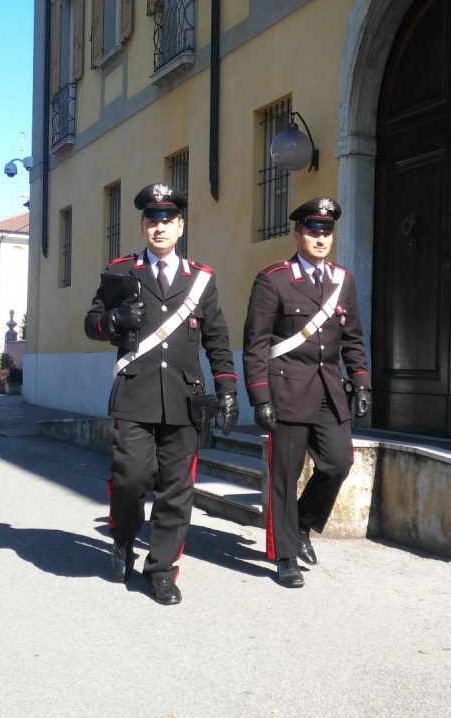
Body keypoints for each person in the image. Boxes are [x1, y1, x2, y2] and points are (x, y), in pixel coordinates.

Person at [84, 183, 239, 605]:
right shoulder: (122, 272)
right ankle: (122, 536)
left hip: (184, 400)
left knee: (176, 489)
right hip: (134, 396)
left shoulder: (200, 280)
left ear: (181, 226)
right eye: (152, 220)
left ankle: (162, 571)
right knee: (130, 478)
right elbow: (92, 322)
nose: (160, 227)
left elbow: (218, 340)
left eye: (168, 220)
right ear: (142, 225)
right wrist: (115, 319)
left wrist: (228, 388)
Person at [242, 196, 370, 588]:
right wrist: (261, 398)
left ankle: (301, 524)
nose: (319, 238)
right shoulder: (274, 279)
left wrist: (362, 383)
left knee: (338, 463)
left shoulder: (342, 280)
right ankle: (284, 558)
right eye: (312, 231)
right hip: (287, 390)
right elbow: (256, 344)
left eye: (326, 231)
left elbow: (353, 339)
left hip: (330, 390)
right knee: (285, 475)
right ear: (298, 234)